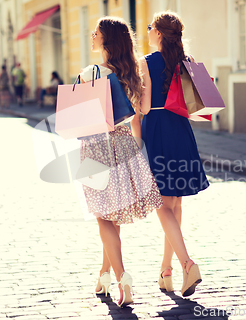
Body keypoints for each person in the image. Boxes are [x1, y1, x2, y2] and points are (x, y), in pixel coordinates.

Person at [78, 16, 163, 307]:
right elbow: (141, 112)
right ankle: (104, 274)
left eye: (96, 33)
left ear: (107, 40)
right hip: (125, 144)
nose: (92, 36)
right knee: (112, 216)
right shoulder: (131, 71)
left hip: (96, 147)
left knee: (102, 216)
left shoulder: (92, 72)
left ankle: (122, 277)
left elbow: (81, 116)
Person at [137, 11, 209, 297]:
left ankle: (187, 264)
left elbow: (143, 108)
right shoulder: (186, 61)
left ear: (157, 33)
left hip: (157, 130)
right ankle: (166, 270)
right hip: (180, 130)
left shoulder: (146, 62)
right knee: (174, 203)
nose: (147, 31)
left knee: (161, 203)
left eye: (149, 27)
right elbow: (196, 105)